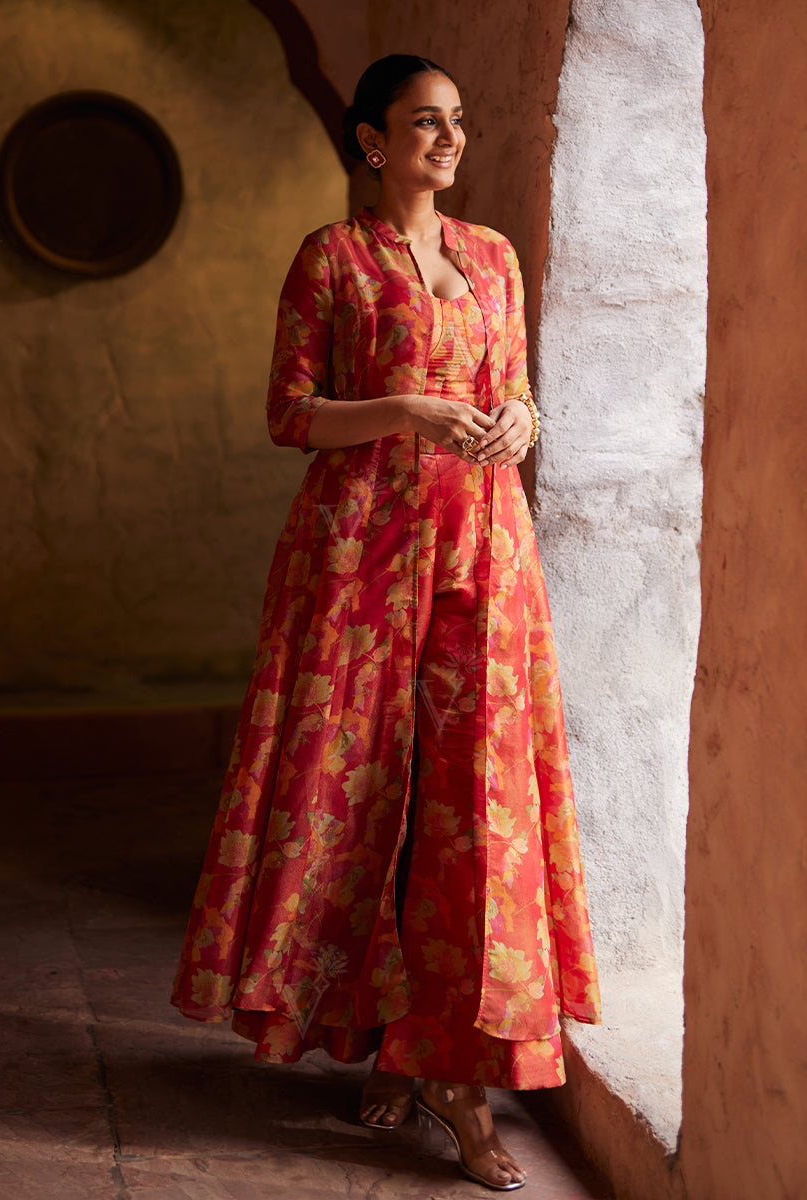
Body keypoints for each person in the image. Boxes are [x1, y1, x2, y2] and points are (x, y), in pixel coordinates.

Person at [172, 54, 601, 1192]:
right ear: (372, 142)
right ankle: (388, 1046)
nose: (450, 140)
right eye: (426, 123)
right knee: (363, 791)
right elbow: (290, 413)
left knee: (473, 801)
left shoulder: (493, 256)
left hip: (484, 557)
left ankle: (457, 1075)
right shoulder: (333, 260)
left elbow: (513, 389)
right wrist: (408, 408)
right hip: (360, 562)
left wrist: (520, 420)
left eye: (457, 121)